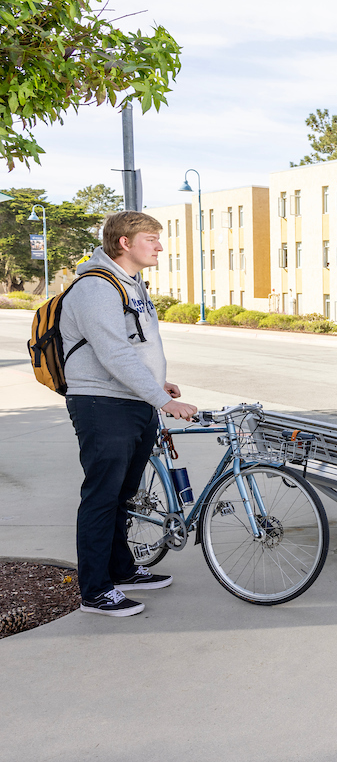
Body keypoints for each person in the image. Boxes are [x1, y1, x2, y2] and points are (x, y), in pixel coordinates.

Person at [61, 211, 198, 617]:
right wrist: (161, 399)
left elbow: (137, 344)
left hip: (132, 402)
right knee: (102, 496)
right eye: (152, 239)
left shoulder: (132, 284)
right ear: (124, 242)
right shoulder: (96, 287)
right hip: (102, 403)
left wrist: (160, 383)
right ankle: (95, 592)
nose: (159, 246)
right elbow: (113, 352)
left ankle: (121, 570)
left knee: (124, 494)